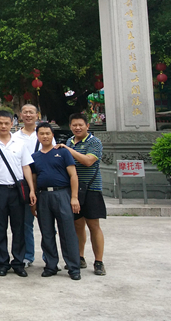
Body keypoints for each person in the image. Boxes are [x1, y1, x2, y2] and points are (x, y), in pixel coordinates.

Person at [0, 110, 36, 277]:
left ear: (12, 124)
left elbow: (26, 167)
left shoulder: (20, 143)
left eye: (6, 123)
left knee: (19, 227)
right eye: (0, 123)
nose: (3, 126)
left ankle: (18, 262)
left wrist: (32, 190)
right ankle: (3, 262)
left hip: (17, 190)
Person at [30, 122, 81, 280]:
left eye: (48, 133)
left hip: (62, 194)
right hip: (43, 196)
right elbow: (34, 179)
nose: (45, 136)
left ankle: (73, 267)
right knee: (47, 232)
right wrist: (34, 200)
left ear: (52, 135)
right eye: (42, 134)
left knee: (67, 232)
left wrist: (74, 197)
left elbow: (73, 175)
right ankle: (51, 265)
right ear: (37, 136)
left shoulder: (63, 152)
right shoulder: (35, 157)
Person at [58, 112, 107, 276]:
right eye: (74, 125)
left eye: (80, 125)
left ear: (87, 126)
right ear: (70, 126)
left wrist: (67, 150)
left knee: (94, 225)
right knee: (77, 225)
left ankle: (99, 261)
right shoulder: (70, 141)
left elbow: (88, 161)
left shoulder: (94, 142)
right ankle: (79, 257)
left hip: (92, 189)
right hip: (74, 190)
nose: (77, 128)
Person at [13, 103, 46, 267]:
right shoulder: (14, 137)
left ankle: (50, 258)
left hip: (43, 181)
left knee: (47, 223)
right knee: (26, 222)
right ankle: (28, 256)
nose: (28, 115)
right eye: (25, 112)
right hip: (24, 183)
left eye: (31, 112)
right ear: (20, 115)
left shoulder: (44, 133)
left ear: (37, 115)